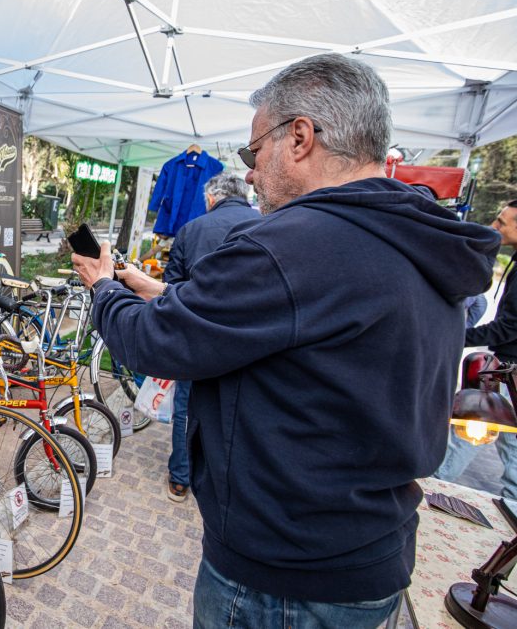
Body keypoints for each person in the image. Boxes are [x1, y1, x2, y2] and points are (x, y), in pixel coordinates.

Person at [72, 53, 499, 628]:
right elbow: (280, 329)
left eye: (253, 152)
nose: (248, 173)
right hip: (371, 550)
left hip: (282, 577)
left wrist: (105, 290)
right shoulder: (417, 236)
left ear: (299, 137)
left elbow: (156, 343)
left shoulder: (294, 244)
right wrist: (155, 289)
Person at [161, 171, 258, 502]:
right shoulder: (269, 225)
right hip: (252, 340)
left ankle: (180, 477)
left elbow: (169, 287)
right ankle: (229, 484)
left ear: (212, 199)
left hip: (196, 336)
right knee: (244, 409)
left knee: (186, 407)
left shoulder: (191, 229)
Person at [435, 200, 517, 498]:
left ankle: (433, 494)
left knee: (470, 436)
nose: (495, 226)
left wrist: (454, 334)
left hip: (510, 371)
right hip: (506, 366)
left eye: (502, 222)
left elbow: (509, 327)